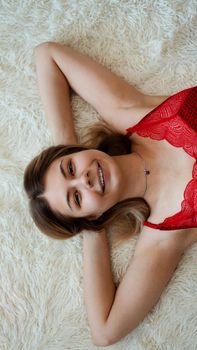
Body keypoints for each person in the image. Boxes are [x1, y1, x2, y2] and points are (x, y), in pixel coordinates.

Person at [23, 42, 197, 346]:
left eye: (69, 169)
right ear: (92, 217)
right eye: (75, 198)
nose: (84, 179)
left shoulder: (127, 112)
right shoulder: (163, 237)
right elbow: (103, 331)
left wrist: (67, 146)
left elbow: (47, 55)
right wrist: (92, 228)